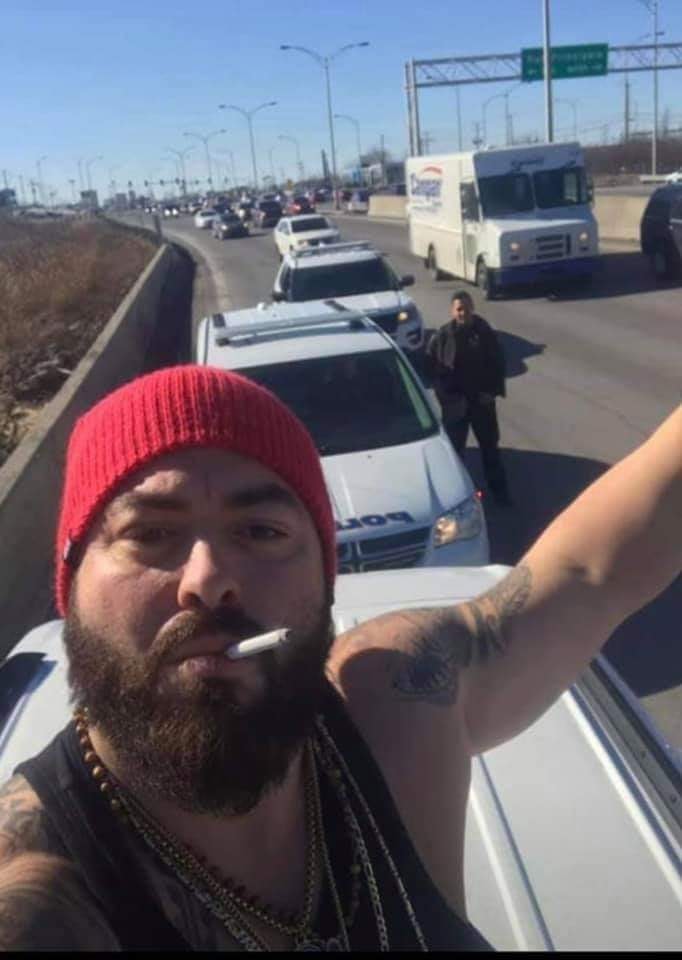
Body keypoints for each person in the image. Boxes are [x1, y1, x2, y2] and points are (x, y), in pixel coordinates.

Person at [0, 364, 679, 951]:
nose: (206, 578)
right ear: (70, 585)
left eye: (262, 530)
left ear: (325, 583)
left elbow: (590, 572)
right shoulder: (31, 885)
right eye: (149, 533)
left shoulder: (392, 708)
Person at [427, 290, 510, 505]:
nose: (463, 313)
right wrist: (446, 398)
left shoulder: (484, 332)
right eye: (459, 309)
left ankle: (500, 494)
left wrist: (490, 393)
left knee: (490, 450)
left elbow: (497, 365)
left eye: (467, 308)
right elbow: (433, 370)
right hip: (455, 407)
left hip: (481, 404)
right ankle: (459, 501)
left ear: (473, 308)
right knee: (455, 457)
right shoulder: (443, 336)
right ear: (452, 311)